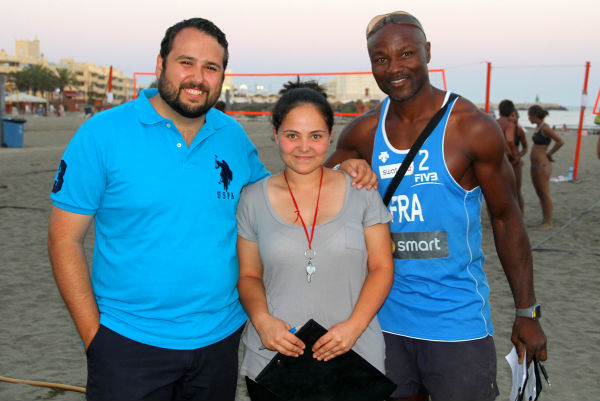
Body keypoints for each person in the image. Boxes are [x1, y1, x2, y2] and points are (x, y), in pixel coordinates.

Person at [47, 18, 376, 401]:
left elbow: (284, 194)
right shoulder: (102, 134)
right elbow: (63, 240)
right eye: (186, 62)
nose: (197, 77)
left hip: (218, 344)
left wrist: (344, 170)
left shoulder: (231, 135)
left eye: (211, 68)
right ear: (160, 65)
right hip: (128, 342)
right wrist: (95, 339)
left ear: (221, 76)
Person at [325, 11, 547, 401]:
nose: (394, 68)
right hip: (382, 321)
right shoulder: (362, 132)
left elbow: (506, 219)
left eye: (406, 53)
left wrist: (527, 311)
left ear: (427, 52)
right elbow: (310, 197)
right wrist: (343, 167)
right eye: (381, 59)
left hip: (456, 323)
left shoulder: (471, 127)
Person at [236, 81, 394, 400]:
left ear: (331, 135)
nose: (304, 147)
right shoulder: (252, 199)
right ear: (275, 133)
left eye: (316, 136)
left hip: (354, 355)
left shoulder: (362, 192)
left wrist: (354, 326)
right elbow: (249, 275)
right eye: (292, 135)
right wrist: (262, 320)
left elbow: (381, 267)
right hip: (275, 360)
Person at [528, 104, 564, 228]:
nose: (528, 118)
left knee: (544, 193)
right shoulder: (538, 127)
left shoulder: (545, 128)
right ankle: (545, 219)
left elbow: (560, 141)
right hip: (535, 164)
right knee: (540, 193)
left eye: (529, 116)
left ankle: (549, 221)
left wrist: (549, 153)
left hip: (542, 164)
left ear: (534, 115)